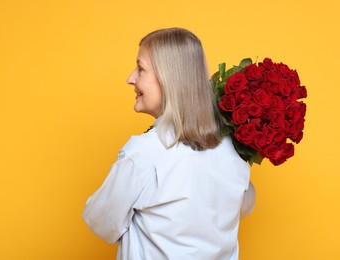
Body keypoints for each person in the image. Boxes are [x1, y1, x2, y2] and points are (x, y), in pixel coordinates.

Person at [83, 28, 256, 260]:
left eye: (141, 69)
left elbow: (100, 221)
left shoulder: (143, 154)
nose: (130, 78)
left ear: (167, 78)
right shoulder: (231, 150)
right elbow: (244, 206)